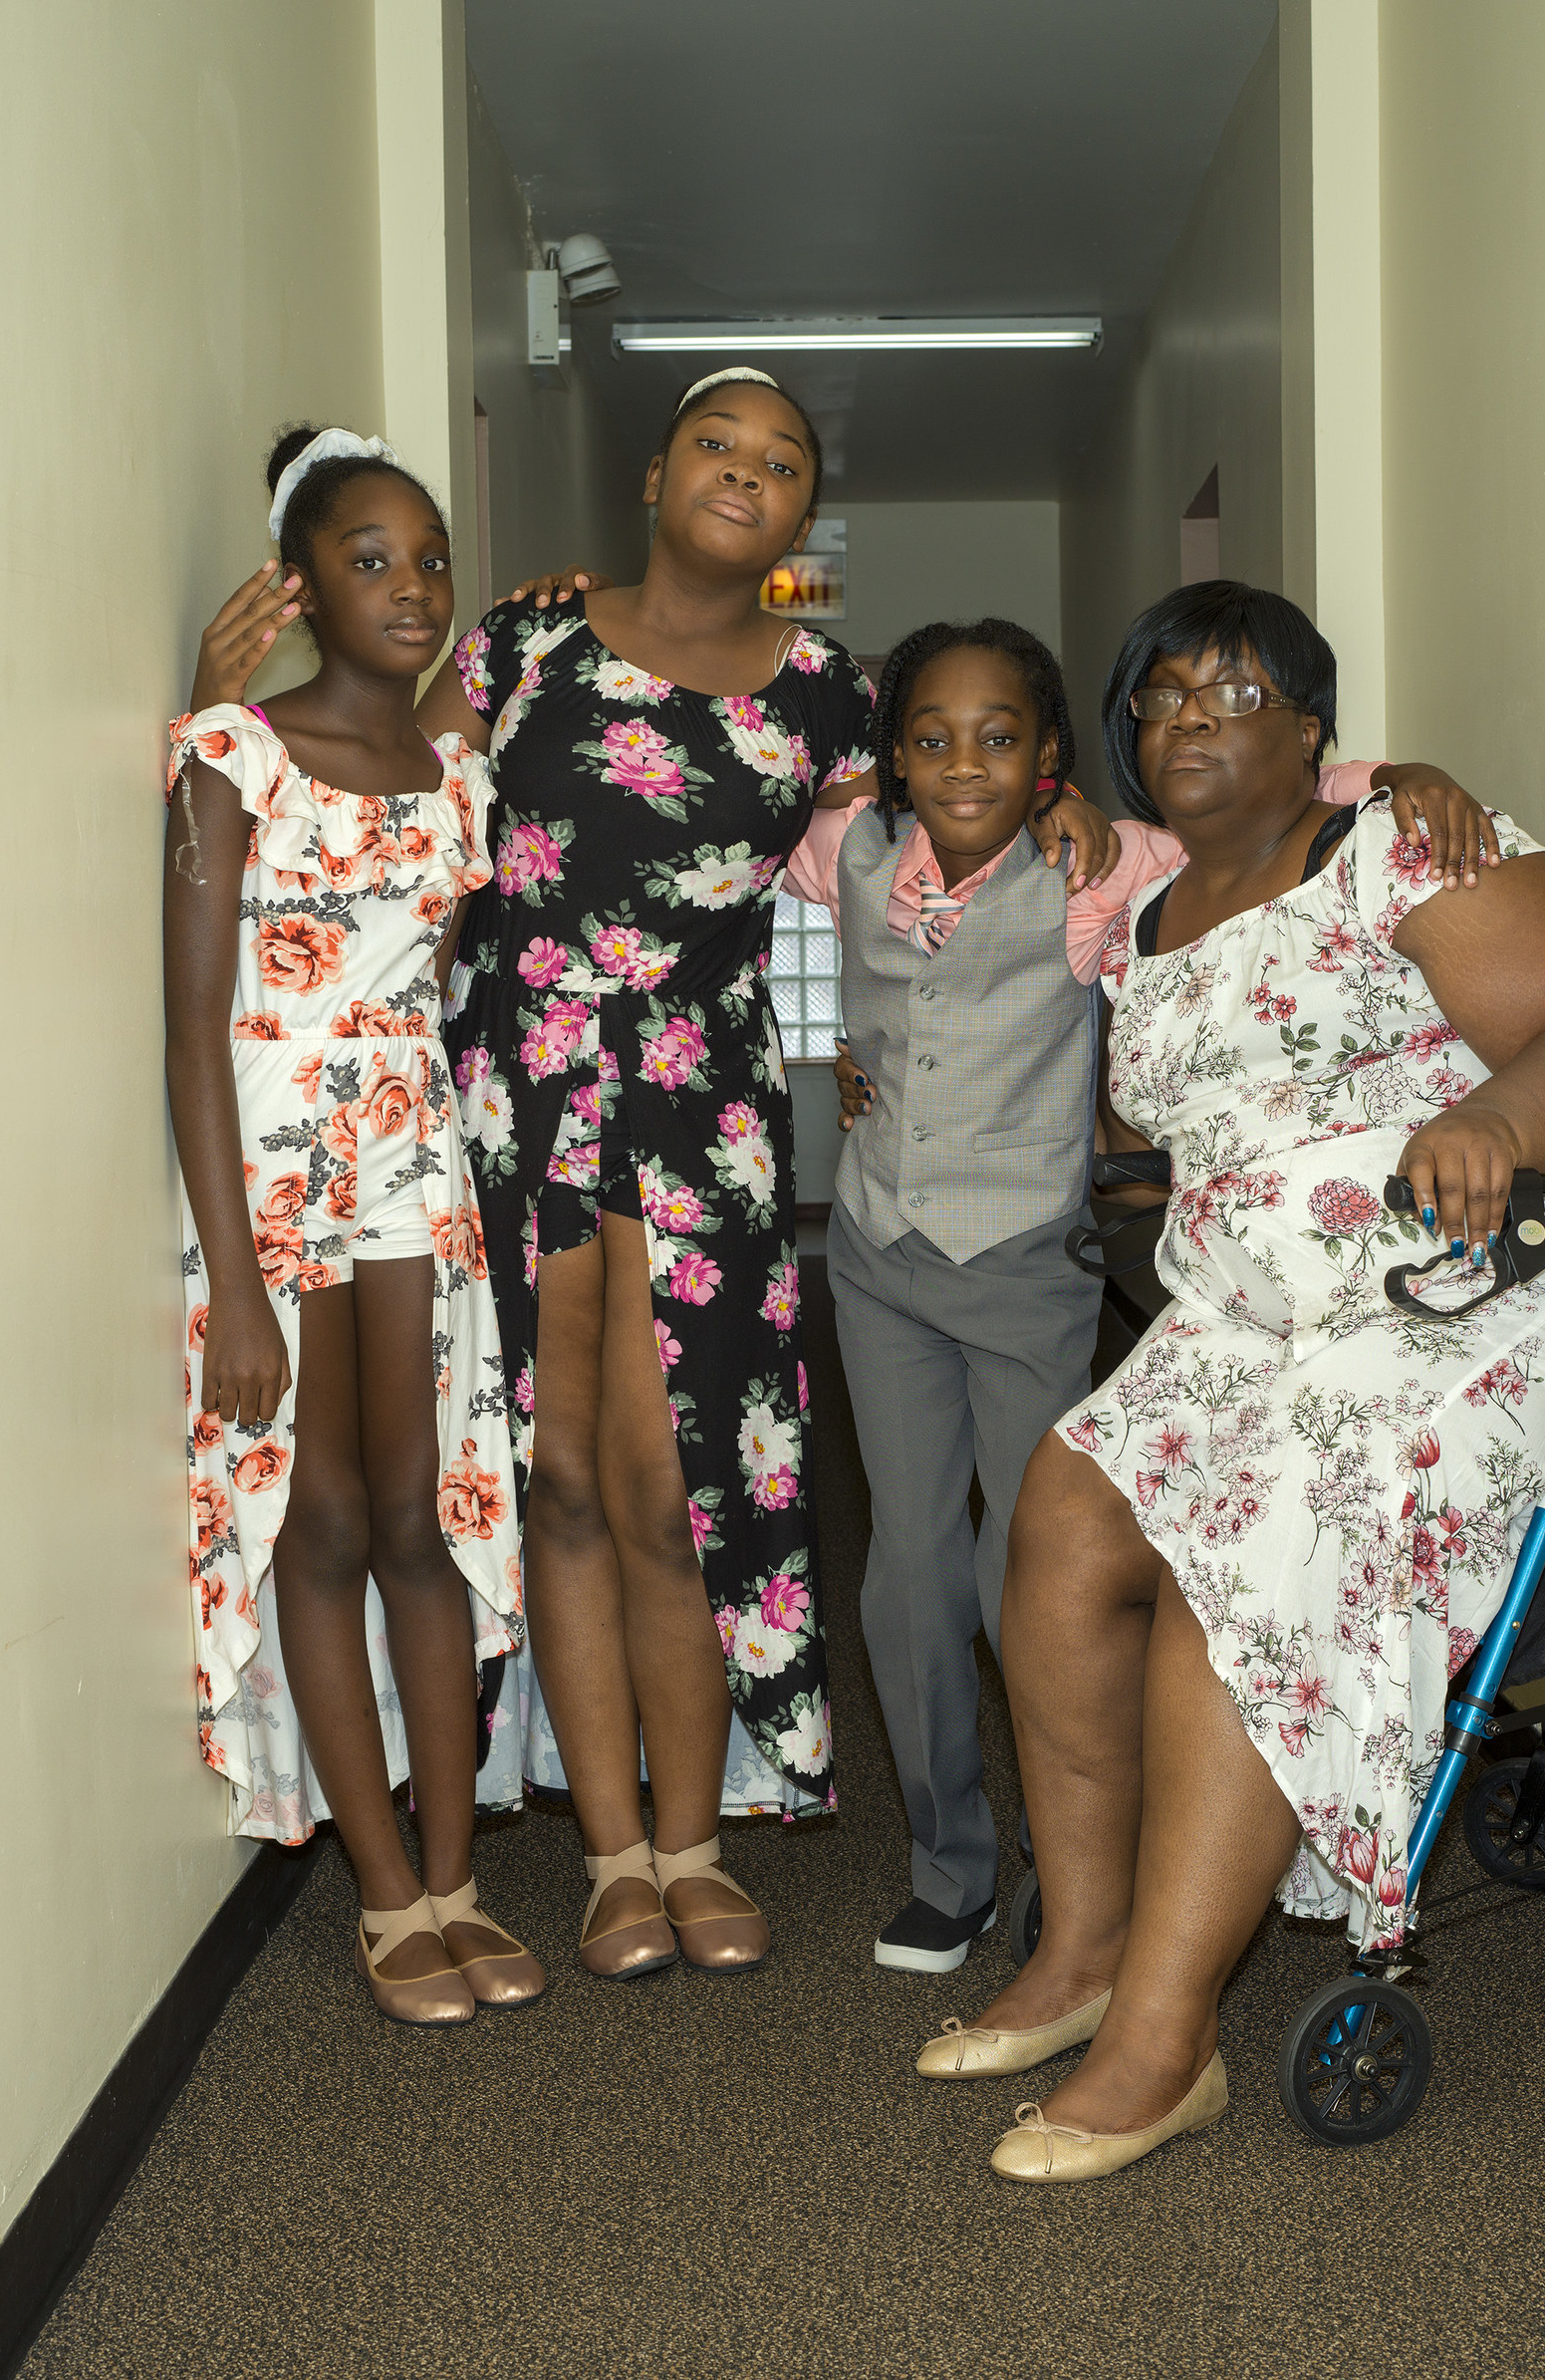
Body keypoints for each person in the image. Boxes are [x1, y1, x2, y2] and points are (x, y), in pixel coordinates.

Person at [925, 582, 1545, 2179]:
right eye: (1163, 697)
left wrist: (1504, 1122)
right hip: (1259, 1309)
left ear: (1313, 731)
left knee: (1248, 1533)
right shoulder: (1141, 910)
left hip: (1474, 1285)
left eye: (1241, 689)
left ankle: (1168, 2036)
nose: (1194, 716)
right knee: (1067, 1507)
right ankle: (1082, 1951)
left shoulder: (1398, 844)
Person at [406, 370, 1116, 1977]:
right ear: (656, 470)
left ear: (804, 518)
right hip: (520, 1088)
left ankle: (694, 1841)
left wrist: (1076, 806)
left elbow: (963, 786)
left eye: (783, 463)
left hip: (702, 1104)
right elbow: (391, 803)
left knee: (675, 1487)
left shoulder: (829, 697)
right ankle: (606, 1857)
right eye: (719, 445)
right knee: (563, 1478)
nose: (748, 473)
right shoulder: (521, 642)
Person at [787, 619, 1503, 1976]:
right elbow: (716, 839)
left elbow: (1276, 793)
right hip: (877, 1256)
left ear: (1051, 756)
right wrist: (826, 1046)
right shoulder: (851, 850)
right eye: (929, 738)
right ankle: (949, 1860)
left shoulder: (1105, 863)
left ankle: (1080, 1870)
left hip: (1022, 1263)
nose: (963, 764)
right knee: (906, 1572)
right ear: (891, 756)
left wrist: (1410, 778)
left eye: (1002, 738)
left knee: (1031, 1575)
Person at [164, 426, 542, 2027]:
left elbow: (430, 988)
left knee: (422, 1517)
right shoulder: (228, 755)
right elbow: (189, 1036)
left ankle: (459, 1878)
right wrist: (236, 1285)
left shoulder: (460, 779)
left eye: (428, 560)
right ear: (301, 583)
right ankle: (387, 1899)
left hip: (413, 1167)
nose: (410, 587)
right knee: (318, 1523)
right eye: (370, 559)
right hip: (270, 1169)